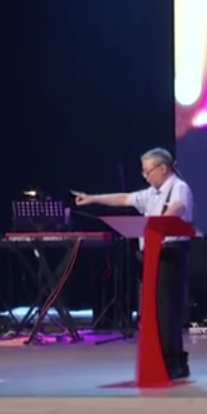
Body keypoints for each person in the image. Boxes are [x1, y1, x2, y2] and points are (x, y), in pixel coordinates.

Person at [72, 148, 194, 380]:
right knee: (153, 311)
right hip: (151, 254)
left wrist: (158, 223)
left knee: (166, 310)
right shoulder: (151, 193)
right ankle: (166, 359)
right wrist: (93, 198)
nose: (144, 176)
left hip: (170, 253)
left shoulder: (179, 187)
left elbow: (178, 207)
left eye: (148, 171)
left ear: (163, 168)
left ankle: (174, 362)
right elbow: (124, 198)